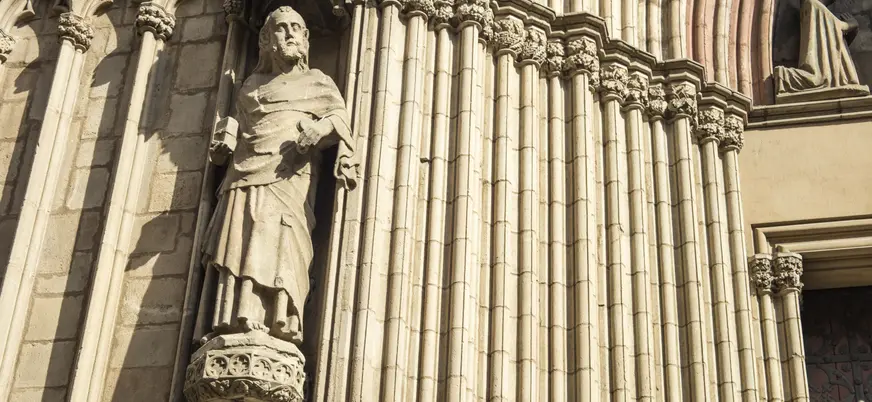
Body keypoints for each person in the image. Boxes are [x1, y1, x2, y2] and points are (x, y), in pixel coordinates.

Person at [197, 5, 357, 345]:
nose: (289, 35)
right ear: (266, 40)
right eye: (281, 29)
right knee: (243, 236)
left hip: (290, 177)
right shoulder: (249, 87)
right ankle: (239, 315)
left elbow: (341, 120)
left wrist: (320, 128)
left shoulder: (319, 83)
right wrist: (224, 146)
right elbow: (240, 128)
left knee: (285, 238)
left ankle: (282, 320)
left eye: (296, 28)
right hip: (244, 176)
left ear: (306, 37)